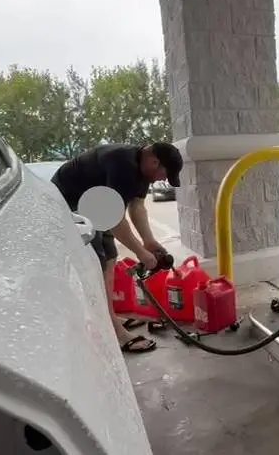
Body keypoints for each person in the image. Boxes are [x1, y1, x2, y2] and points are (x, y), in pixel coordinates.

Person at [51, 142, 183, 353]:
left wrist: (148, 241)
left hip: (94, 205)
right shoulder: (123, 164)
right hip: (69, 204)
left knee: (110, 256)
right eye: (164, 174)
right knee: (98, 264)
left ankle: (109, 317)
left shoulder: (143, 169)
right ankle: (113, 331)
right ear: (154, 161)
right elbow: (114, 218)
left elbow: (137, 207)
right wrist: (140, 252)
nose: (162, 180)